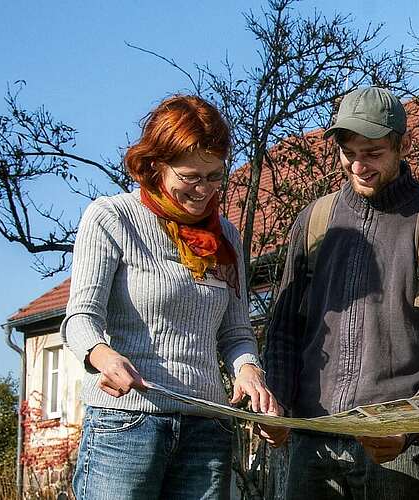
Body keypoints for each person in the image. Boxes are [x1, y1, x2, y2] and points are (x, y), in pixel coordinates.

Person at [262, 86, 419, 499]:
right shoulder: (315, 221)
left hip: (397, 448)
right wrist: (278, 402)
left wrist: (412, 421)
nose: (358, 165)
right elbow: (283, 331)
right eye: (349, 152)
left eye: (373, 153)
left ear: (404, 145)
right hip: (314, 438)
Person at [63, 94, 278, 500]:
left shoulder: (226, 237)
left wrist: (249, 369)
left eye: (215, 176)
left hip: (206, 429)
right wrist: (101, 355)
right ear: (155, 166)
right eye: (190, 176)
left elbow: (235, 333)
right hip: (126, 424)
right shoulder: (111, 218)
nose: (204, 190)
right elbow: (80, 317)